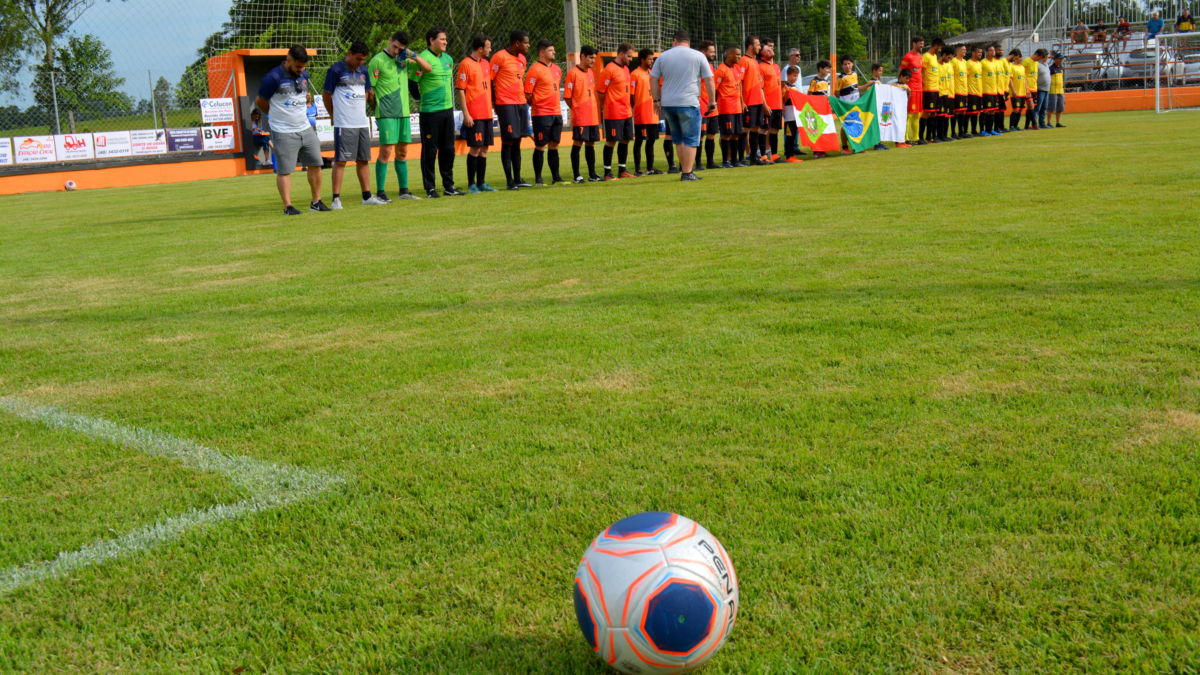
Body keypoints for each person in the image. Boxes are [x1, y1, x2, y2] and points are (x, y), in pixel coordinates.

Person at [256, 45, 327, 215]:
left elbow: (300, 93)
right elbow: (260, 101)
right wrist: (276, 115)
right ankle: (288, 206)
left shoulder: (304, 74)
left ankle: (316, 202)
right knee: (285, 170)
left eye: (303, 67)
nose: (301, 70)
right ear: (288, 60)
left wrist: (306, 97)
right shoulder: (273, 77)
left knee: (316, 164)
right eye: (297, 66)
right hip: (283, 131)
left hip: (305, 127)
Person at [649, 29, 716, 181]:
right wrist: (712, 101)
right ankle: (687, 172)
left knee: (678, 138)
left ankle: (684, 170)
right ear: (688, 41)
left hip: (668, 104)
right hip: (688, 102)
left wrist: (656, 100)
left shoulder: (663, 56)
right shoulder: (698, 55)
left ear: (675, 41)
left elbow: (653, 78)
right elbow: (709, 79)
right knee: (691, 138)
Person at [323, 41, 383, 209]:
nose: (360, 63)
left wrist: (370, 100)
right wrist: (333, 115)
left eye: (363, 60)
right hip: (344, 122)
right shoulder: (336, 70)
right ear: (349, 53)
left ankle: (366, 196)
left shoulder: (364, 70)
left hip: (361, 122)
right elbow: (327, 95)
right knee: (341, 161)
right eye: (358, 59)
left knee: (363, 159)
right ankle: (336, 199)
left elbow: (367, 92)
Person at [368, 31, 427, 202]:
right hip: (386, 113)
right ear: (389, 41)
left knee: (402, 152)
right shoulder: (377, 61)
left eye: (400, 49)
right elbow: (370, 91)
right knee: (386, 151)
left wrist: (413, 55)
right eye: (394, 47)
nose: (396, 51)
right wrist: (377, 110)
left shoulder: (403, 61)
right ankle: (380, 192)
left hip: (404, 113)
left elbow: (426, 68)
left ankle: (404, 191)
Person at [411, 27, 463, 198]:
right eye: (442, 39)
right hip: (430, 113)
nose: (445, 42)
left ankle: (449, 186)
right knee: (430, 150)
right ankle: (430, 188)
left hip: (447, 110)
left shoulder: (448, 59)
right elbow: (412, 82)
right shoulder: (422, 59)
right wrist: (420, 100)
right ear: (431, 40)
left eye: (446, 39)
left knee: (448, 149)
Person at [456, 34, 497, 194]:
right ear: (480, 49)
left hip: (487, 113)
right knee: (475, 148)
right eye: (488, 47)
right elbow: (460, 90)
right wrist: (466, 114)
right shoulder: (465, 64)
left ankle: (481, 182)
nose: (490, 49)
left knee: (485, 149)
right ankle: (471, 183)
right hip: (474, 114)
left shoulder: (486, 64)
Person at [492, 30, 532, 190]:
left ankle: (518, 178)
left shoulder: (522, 59)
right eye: (526, 43)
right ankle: (509, 181)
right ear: (517, 43)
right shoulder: (499, 57)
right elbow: (490, 79)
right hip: (505, 104)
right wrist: (494, 103)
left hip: (521, 103)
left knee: (517, 140)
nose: (528, 46)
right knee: (508, 140)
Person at [525, 38, 565, 186]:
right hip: (541, 114)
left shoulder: (557, 69)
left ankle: (556, 177)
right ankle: (539, 178)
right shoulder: (534, 69)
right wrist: (539, 105)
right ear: (542, 53)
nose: (554, 52)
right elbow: (528, 93)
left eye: (553, 50)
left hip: (556, 112)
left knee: (554, 145)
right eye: (550, 50)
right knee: (540, 145)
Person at [596, 42, 636, 180]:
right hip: (614, 112)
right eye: (629, 56)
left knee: (625, 140)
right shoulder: (609, 69)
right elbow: (601, 92)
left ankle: (622, 170)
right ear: (621, 54)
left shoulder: (625, 69)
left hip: (626, 112)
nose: (631, 59)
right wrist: (606, 105)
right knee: (611, 141)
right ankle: (607, 173)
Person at [564, 45, 602, 182]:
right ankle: (577, 175)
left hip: (592, 116)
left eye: (594, 58)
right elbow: (568, 97)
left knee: (591, 144)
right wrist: (577, 108)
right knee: (578, 143)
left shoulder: (590, 72)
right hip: (581, 116)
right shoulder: (573, 73)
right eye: (591, 58)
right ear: (583, 56)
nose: (593, 61)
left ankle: (592, 174)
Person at [736, 36, 770, 165]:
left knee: (755, 129)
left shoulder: (755, 62)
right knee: (745, 130)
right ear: (750, 46)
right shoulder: (744, 61)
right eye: (757, 44)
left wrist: (763, 103)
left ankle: (753, 157)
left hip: (757, 102)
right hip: (748, 102)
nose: (760, 47)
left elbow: (760, 85)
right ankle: (740, 159)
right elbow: (739, 82)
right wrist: (742, 101)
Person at [631, 49, 663, 175]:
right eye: (650, 59)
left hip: (653, 114)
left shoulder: (652, 74)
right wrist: (636, 108)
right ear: (642, 59)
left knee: (651, 141)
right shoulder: (635, 74)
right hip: (642, 114)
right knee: (639, 141)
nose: (652, 61)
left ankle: (650, 168)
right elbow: (631, 95)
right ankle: (638, 169)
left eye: (653, 59)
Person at [714, 45, 744, 168]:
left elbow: (739, 85)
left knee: (736, 133)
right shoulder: (721, 70)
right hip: (726, 108)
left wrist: (742, 102)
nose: (739, 57)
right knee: (726, 134)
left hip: (737, 107)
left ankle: (735, 160)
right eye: (737, 54)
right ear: (728, 55)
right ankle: (725, 161)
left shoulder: (737, 68)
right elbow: (715, 88)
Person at [696, 40, 721, 170]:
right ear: (703, 51)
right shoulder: (697, 65)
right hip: (701, 106)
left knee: (711, 135)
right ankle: (698, 164)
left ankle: (710, 162)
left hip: (712, 106)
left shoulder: (710, 66)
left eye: (714, 51)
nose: (713, 54)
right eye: (711, 51)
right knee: (700, 136)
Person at [758, 39, 784, 162]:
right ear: (761, 54)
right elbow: (760, 88)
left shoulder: (776, 67)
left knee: (775, 130)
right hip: (768, 105)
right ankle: (763, 155)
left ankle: (774, 155)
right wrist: (764, 104)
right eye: (767, 49)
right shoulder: (760, 67)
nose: (770, 50)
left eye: (771, 48)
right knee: (764, 129)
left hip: (778, 104)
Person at [900, 36, 925, 144]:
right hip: (911, 89)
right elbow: (901, 71)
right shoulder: (908, 57)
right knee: (909, 114)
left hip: (919, 89)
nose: (922, 46)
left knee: (917, 114)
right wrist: (901, 85)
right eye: (920, 44)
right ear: (914, 44)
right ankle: (905, 138)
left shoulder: (920, 56)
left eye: (923, 44)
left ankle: (916, 138)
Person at [920, 37, 944, 144]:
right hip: (928, 89)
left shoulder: (934, 57)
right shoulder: (926, 56)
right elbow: (922, 72)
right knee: (926, 113)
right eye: (940, 47)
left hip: (936, 89)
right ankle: (921, 137)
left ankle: (930, 136)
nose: (941, 50)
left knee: (934, 113)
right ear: (936, 46)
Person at [808, 59, 832, 157]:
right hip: (815, 110)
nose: (828, 71)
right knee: (816, 130)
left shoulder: (826, 81)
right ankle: (816, 151)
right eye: (827, 69)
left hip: (824, 110)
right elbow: (809, 95)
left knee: (823, 129)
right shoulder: (814, 81)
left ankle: (822, 149)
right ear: (821, 69)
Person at [781, 64, 803, 161]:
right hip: (788, 115)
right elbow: (782, 99)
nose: (795, 78)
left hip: (795, 115)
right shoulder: (785, 87)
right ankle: (788, 155)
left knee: (793, 135)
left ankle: (791, 154)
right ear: (788, 75)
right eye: (794, 75)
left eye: (796, 76)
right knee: (789, 135)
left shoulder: (794, 87)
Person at [1021, 49, 1042, 130]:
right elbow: (1022, 76)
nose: (1039, 60)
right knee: (1031, 106)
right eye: (1039, 58)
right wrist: (1026, 89)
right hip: (1027, 88)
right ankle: (1034, 124)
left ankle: (1026, 126)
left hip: (1034, 88)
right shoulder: (1026, 61)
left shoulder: (1036, 63)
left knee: (1030, 108)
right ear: (1036, 54)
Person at [1007, 49, 1028, 131]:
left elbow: (1024, 79)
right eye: (1020, 57)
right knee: (1016, 109)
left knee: (1020, 110)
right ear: (1016, 58)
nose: (1021, 59)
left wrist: (1027, 90)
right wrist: (1013, 90)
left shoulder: (1022, 67)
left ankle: (1016, 126)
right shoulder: (1011, 67)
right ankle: (1011, 126)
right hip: (1015, 92)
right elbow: (1010, 79)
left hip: (1022, 92)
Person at [966, 45, 983, 137]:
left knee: (976, 113)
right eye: (978, 52)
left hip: (979, 92)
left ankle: (974, 130)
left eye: (981, 52)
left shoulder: (979, 64)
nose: (980, 54)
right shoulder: (968, 63)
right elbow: (965, 78)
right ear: (973, 53)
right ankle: (964, 131)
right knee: (969, 113)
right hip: (971, 92)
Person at [952, 44, 969, 138]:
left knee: (963, 111)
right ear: (957, 50)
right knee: (956, 111)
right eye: (963, 49)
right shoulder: (953, 62)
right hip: (956, 91)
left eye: (965, 50)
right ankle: (954, 133)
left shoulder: (965, 62)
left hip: (964, 91)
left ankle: (961, 132)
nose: (964, 51)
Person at [1048, 52, 1066, 127]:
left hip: (1060, 91)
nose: (1061, 60)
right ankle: (1049, 123)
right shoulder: (1051, 68)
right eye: (1060, 59)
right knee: (1051, 108)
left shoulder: (1062, 68)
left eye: (1062, 59)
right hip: (1053, 91)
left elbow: (1063, 79)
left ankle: (1058, 122)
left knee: (1060, 108)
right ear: (1055, 59)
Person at [1035, 51, 1051, 129]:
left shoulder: (1046, 65)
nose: (1048, 58)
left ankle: (1042, 123)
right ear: (1043, 57)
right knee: (1038, 107)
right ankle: (1035, 123)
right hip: (1040, 89)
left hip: (1046, 89)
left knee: (1044, 107)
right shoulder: (1037, 64)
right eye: (1047, 56)